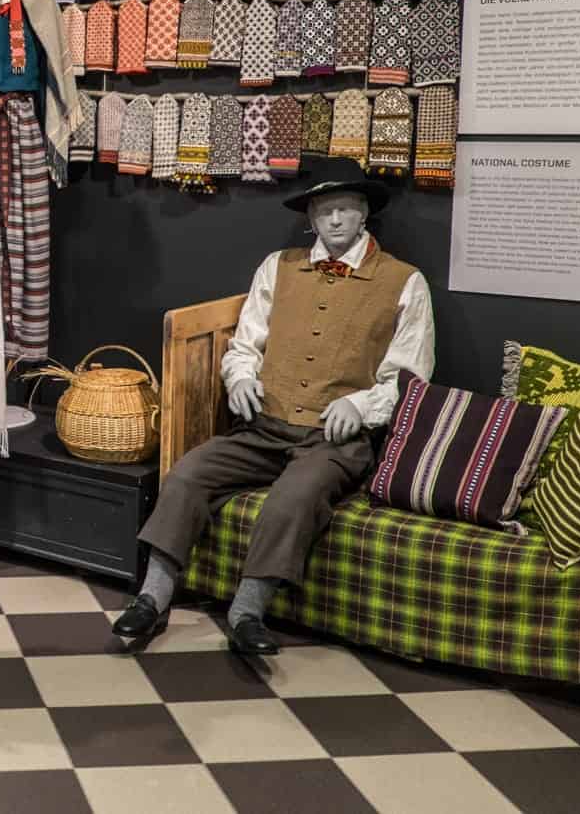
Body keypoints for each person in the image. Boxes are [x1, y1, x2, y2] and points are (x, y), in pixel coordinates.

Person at [114, 156, 435, 655]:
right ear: (310, 218)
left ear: (365, 213)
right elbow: (245, 344)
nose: (334, 221)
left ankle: (247, 612)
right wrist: (239, 377)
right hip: (264, 428)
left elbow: (409, 376)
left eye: (346, 209)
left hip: (334, 440)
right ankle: (152, 599)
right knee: (187, 472)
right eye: (325, 210)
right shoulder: (278, 266)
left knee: (293, 498)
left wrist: (363, 404)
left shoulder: (404, 281)